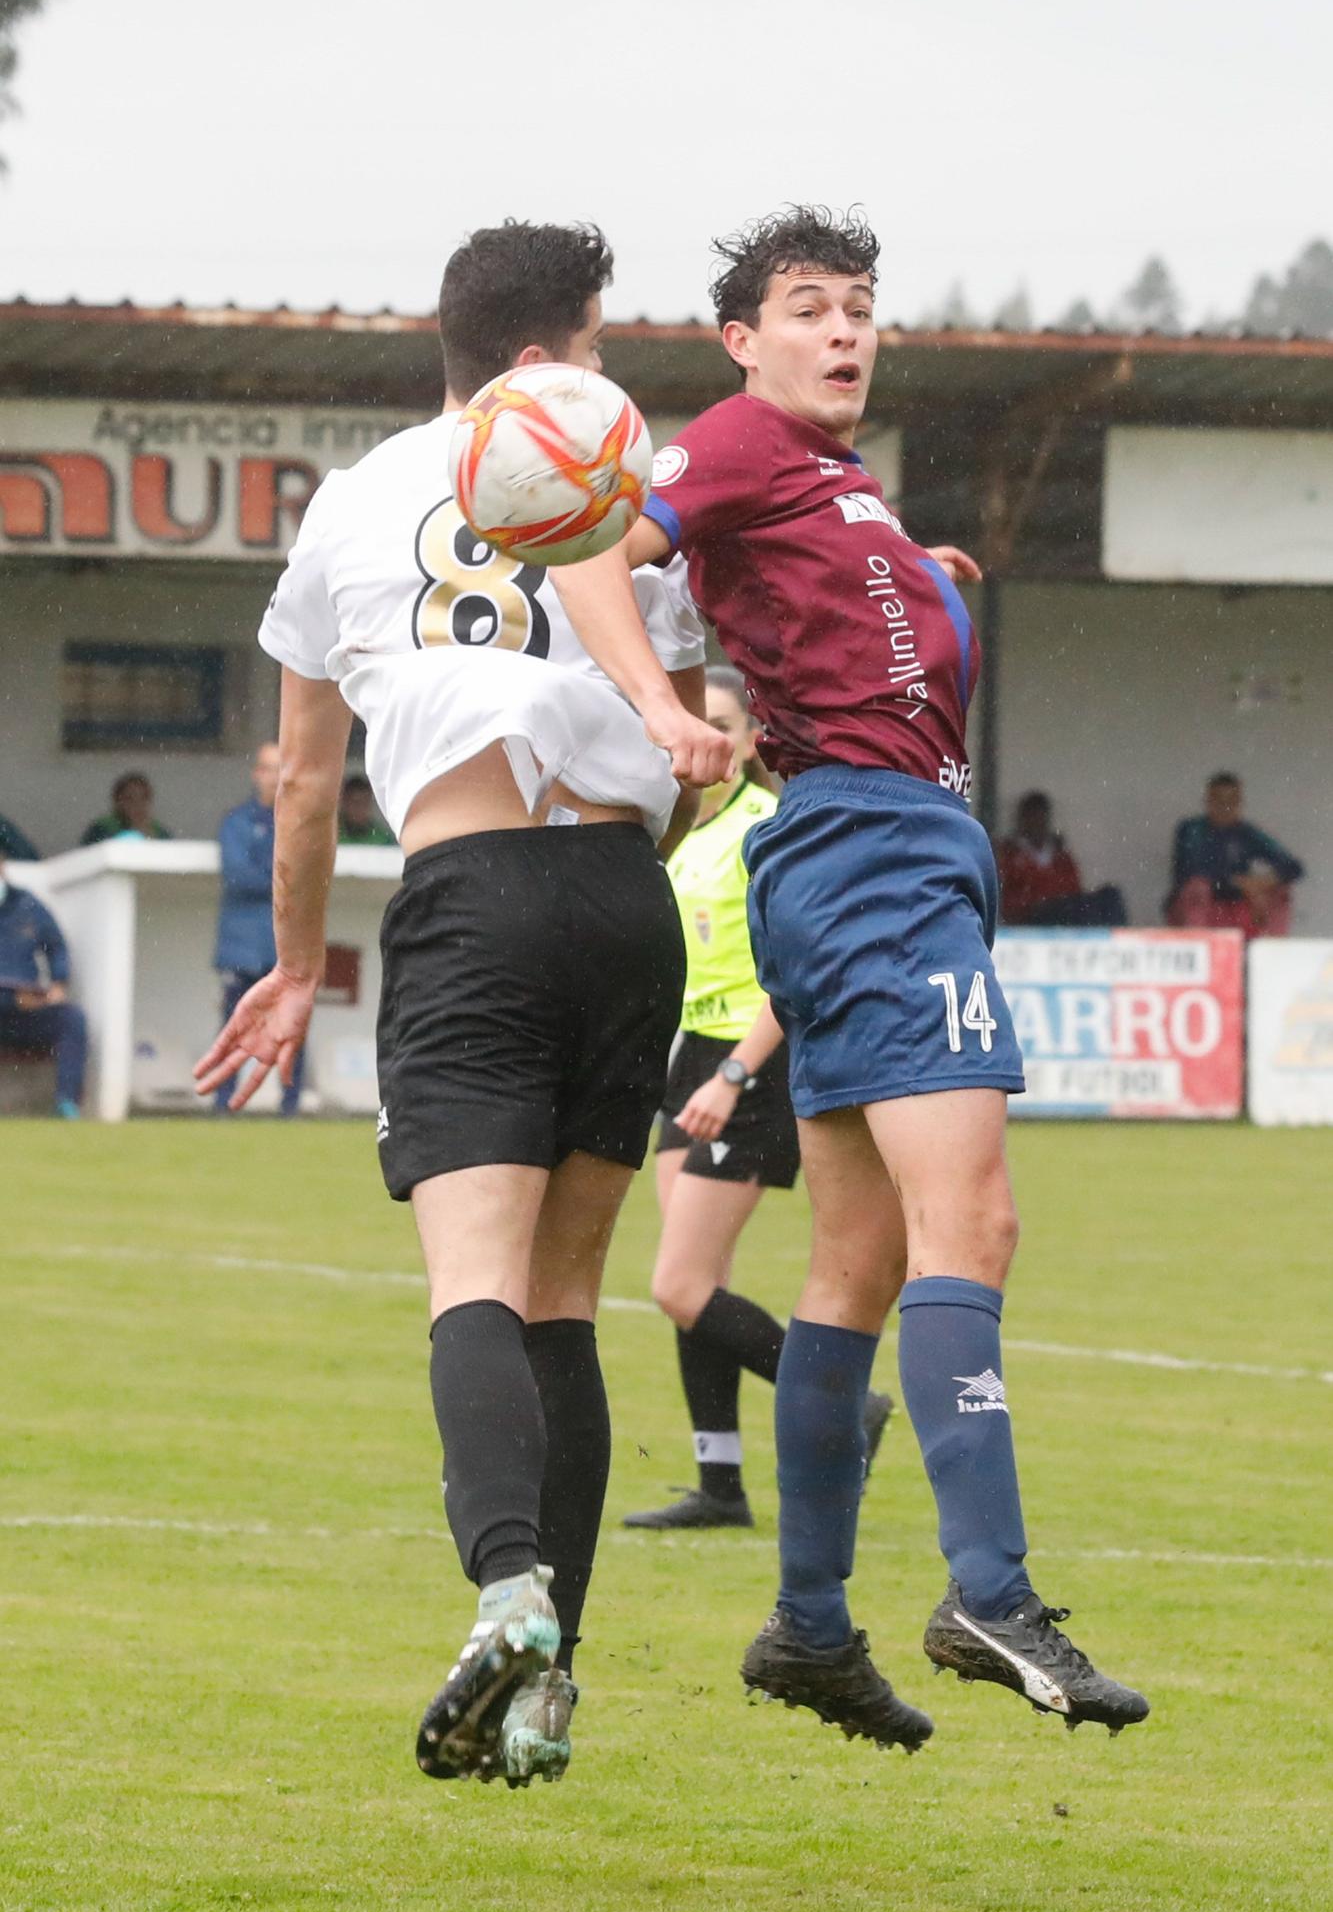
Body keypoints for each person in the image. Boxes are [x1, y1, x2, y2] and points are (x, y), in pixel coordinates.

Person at [556, 206, 1148, 1749]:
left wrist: (922, 574)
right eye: (810, 308)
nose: (845, 331)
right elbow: (595, 552)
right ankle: (989, 1591)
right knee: (979, 1222)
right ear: (745, 342)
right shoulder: (741, 443)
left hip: (872, 857)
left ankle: (809, 1628)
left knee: (856, 1269)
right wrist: (663, 713)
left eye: (861, 307)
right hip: (876, 857)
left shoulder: (840, 487)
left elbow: (836, 627)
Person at [193, 220, 730, 1792]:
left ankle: (506, 1596)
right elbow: (691, 732)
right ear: (545, 356)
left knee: (474, 1286)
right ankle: (555, 1690)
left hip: (473, 896)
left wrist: (295, 968)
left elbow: (302, 779)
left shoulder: (354, 499)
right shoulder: (628, 496)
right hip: (625, 904)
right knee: (566, 1299)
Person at [625, 665, 892, 1532]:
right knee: (700, 1282)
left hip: (752, 1064)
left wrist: (734, 1072)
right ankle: (720, 1484)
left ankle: (847, 1404)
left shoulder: (764, 829)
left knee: (678, 1284)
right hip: (694, 1057)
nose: (708, 735)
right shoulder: (677, 833)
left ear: (748, 740)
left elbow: (802, 969)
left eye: (726, 722)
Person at [213, 745, 305, 1117]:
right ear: (256, 773)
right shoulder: (237, 821)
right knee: (235, 1027)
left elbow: (306, 871)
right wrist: (282, 880)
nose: (275, 776)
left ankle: (290, 1106)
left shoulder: (298, 819)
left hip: (286, 946)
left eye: (281, 768)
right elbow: (239, 875)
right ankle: (223, 1104)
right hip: (242, 945)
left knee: (293, 1028)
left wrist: (280, 878)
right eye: (268, 768)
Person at [0, 858, 88, 1118]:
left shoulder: (27, 905)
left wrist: (58, 984)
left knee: (71, 1019)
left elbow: (57, 946)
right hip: (12, 1002)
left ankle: (66, 1103)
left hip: (26, 1014)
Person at [1166, 772, 1303, 937]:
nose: (1225, 807)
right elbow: (1190, 869)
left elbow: (1294, 867)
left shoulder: (1246, 833)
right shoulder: (1192, 829)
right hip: (1201, 910)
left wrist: (1265, 881)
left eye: (1232, 801)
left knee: (1281, 890)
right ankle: (1198, 945)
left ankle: (1273, 950)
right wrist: (1238, 882)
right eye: (1219, 800)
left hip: (1237, 909)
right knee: (1197, 887)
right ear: (1207, 801)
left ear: (1240, 803)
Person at [996, 791, 1126, 928]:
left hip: (1066, 910)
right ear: (1022, 820)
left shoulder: (1060, 855)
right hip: (1033, 917)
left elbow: (1075, 887)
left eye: (1041, 817)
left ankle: (1117, 941)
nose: (1037, 823)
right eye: (1032, 817)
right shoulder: (1009, 855)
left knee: (1109, 895)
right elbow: (1007, 899)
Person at [80, 772, 173, 846]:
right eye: (129, 798)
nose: (138, 805)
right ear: (117, 802)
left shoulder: (161, 833)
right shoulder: (101, 830)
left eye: (144, 798)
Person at [337, 772, 396, 846]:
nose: (359, 808)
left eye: (364, 802)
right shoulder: (332, 834)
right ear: (344, 802)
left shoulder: (382, 838)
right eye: (355, 802)